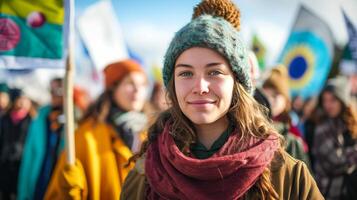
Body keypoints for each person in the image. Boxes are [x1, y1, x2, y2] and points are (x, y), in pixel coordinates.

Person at [121, 0, 322, 199]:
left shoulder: (286, 173)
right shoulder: (145, 174)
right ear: (172, 83)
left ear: (237, 82)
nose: (200, 87)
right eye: (186, 73)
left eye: (214, 71)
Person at [44, 59, 149, 200]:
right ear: (113, 88)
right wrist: (70, 192)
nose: (138, 90)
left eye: (142, 84)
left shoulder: (150, 133)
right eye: (130, 83)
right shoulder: (86, 135)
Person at [17, 78, 65, 200]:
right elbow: (29, 156)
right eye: (51, 90)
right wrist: (23, 193)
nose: (54, 94)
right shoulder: (40, 118)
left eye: (58, 90)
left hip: (60, 184)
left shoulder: (75, 120)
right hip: (39, 181)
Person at [312, 76, 357, 200]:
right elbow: (336, 163)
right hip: (328, 192)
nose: (328, 105)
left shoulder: (350, 124)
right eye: (325, 100)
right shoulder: (322, 128)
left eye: (333, 100)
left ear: (343, 100)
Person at [262, 65, 310, 166]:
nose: (270, 100)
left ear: (285, 99)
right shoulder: (255, 121)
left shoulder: (293, 129)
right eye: (266, 95)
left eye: (275, 95)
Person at [0, 88, 34, 200]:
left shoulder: (32, 120)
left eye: (24, 99)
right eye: (20, 99)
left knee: (17, 192)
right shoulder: (5, 118)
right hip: (5, 161)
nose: (22, 102)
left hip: (21, 163)